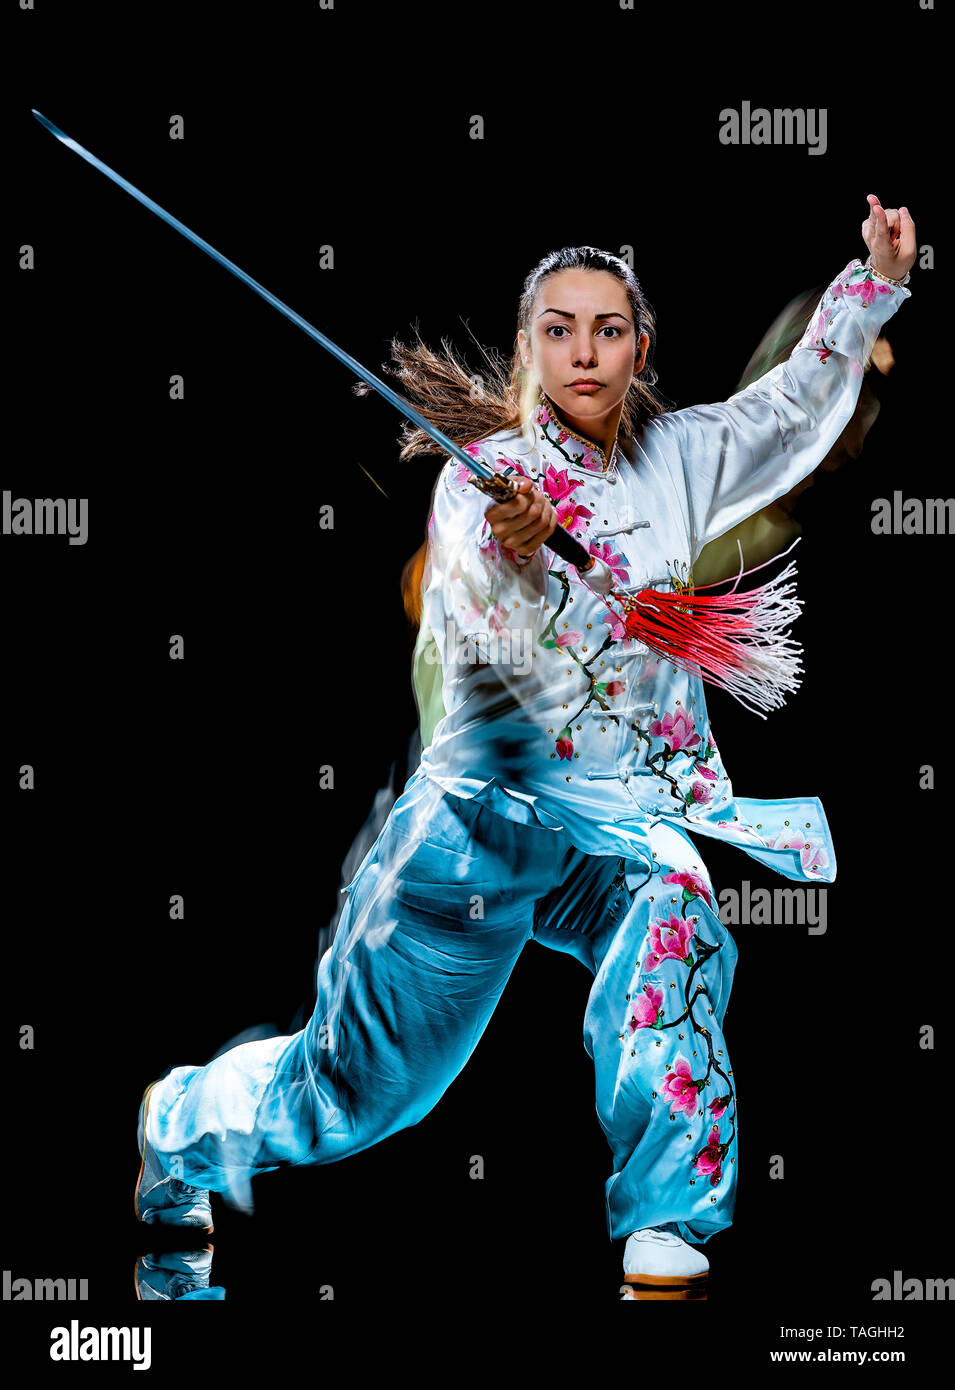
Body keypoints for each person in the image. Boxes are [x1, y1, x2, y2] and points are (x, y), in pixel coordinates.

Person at [135, 196, 915, 1295]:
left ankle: (664, 1215)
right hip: (477, 828)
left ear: (640, 346)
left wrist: (873, 278)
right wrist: (522, 550)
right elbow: (488, 644)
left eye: (606, 328)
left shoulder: (684, 455)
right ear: (527, 348)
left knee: (677, 914)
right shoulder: (479, 484)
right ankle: (178, 1122)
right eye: (558, 329)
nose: (583, 351)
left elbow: (792, 409)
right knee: (355, 1099)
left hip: (612, 820)